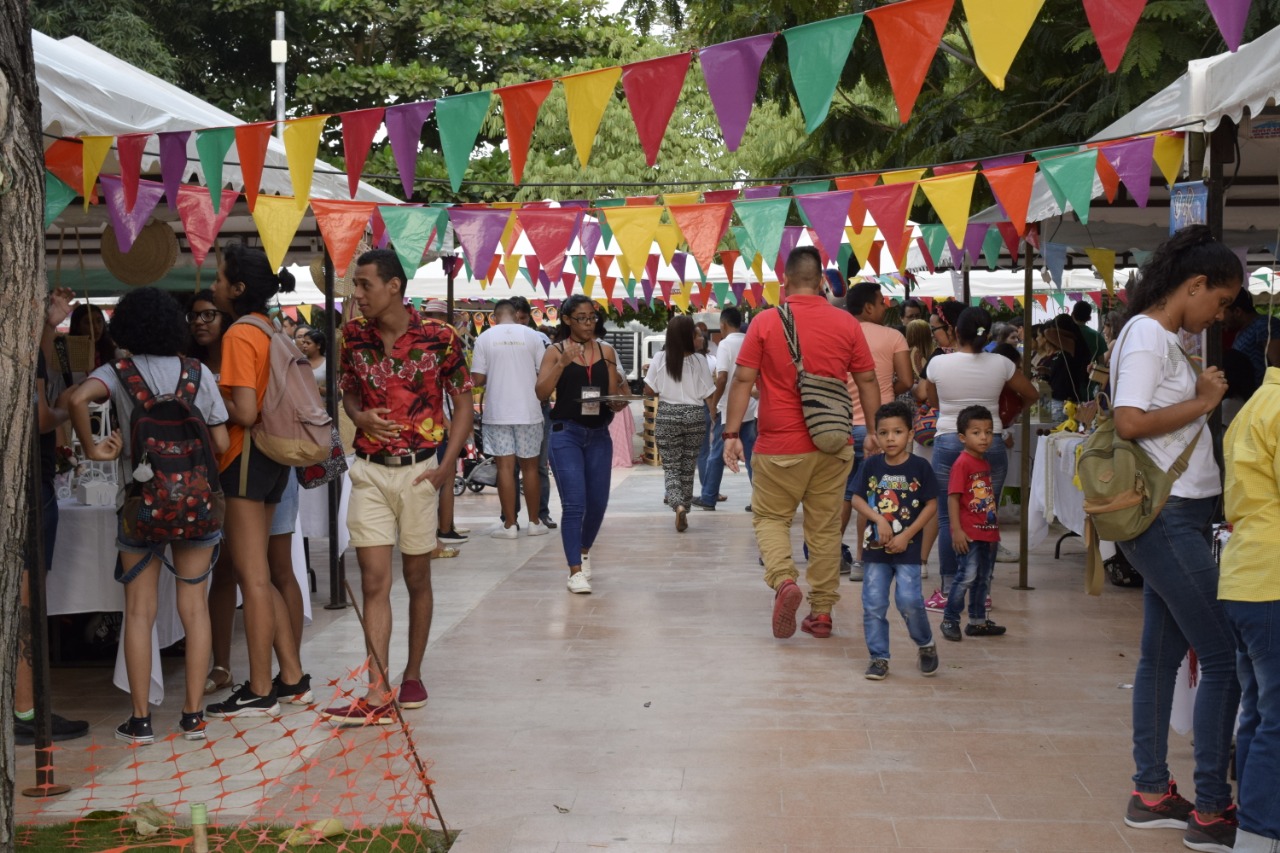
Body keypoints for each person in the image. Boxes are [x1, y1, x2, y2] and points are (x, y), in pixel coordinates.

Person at [1111, 225, 1242, 853]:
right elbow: (1130, 421)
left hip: (1175, 515)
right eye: (1218, 301)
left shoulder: (1161, 337)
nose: (1219, 314)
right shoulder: (1147, 336)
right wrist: (1206, 400)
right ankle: (1213, 809)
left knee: (1161, 659)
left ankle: (1152, 792)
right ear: (1193, 285)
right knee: (1223, 655)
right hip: (1166, 517)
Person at [68, 287, 229, 743]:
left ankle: (140, 721)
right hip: (197, 506)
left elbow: (78, 400)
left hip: (140, 505)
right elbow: (218, 444)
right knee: (194, 610)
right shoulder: (198, 373)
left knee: (140, 612)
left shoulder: (116, 372)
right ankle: (194, 715)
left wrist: (95, 447)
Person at [325, 249, 474, 724]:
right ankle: (376, 688)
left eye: (365, 284)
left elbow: (465, 403)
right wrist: (357, 414)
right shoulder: (351, 335)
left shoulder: (441, 337)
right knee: (374, 580)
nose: (357, 294)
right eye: (356, 285)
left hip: (420, 470)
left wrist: (447, 465)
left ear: (393, 286)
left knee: (417, 578)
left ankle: (412, 673)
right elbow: (347, 389)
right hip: (368, 470)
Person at [723, 246, 880, 640]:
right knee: (825, 529)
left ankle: (784, 582)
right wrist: (874, 431)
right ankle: (822, 613)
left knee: (771, 519)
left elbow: (742, 380)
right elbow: (867, 381)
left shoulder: (765, 321)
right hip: (833, 442)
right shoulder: (847, 323)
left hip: (779, 445)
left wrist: (731, 434)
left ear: (786, 281)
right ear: (822, 282)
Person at [204, 244, 311, 720]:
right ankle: (290, 675)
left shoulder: (238, 335)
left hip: (244, 456)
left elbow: (244, 411)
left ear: (238, 288)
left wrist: (208, 394)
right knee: (264, 573)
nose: (213, 286)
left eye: (220, 278)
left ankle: (261, 685)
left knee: (253, 576)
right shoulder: (270, 328)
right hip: (272, 459)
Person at [918, 308, 1037, 614]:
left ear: (956, 333)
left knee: (947, 518)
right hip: (991, 441)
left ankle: (948, 589)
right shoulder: (1002, 363)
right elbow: (1032, 394)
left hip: (948, 441)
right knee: (986, 517)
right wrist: (1007, 413)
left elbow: (931, 400)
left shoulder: (938, 364)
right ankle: (981, 591)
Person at [15, 292, 90, 747]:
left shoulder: (22, 344)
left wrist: (48, 326)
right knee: (28, 602)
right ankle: (28, 709)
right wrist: (67, 406)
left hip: (25, 484)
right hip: (29, 486)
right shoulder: (23, 353)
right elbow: (41, 416)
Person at [1221, 363, 1280, 853]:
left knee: (1259, 715)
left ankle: (1252, 828)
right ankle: (1260, 833)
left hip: (1247, 577)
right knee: (1273, 718)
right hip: (1271, 578)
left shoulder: (1256, 404)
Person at [535, 295, 627, 594]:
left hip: (599, 434)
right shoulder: (555, 351)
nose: (589, 323)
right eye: (582, 318)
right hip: (566, 433)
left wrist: (621, 399)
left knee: (598, 503)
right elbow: (541, 392)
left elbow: (614, 399)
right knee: (575, 503)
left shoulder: (607, 351)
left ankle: (584, 550)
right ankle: (574, 571)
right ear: (567, 320)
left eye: (592, 317)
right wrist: (562, 363)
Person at [849, 401, 939, 681]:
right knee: (873, 603)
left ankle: (925, 644)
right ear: (875, 435)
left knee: (909, 600)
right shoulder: (871, 465)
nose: (891, 438)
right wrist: (878, 520)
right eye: (884, 432)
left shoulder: (920, 467)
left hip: (907, 549)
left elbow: (931, 505)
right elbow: (856, 498)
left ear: (910, 434)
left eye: (897, 432)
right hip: (875, 550)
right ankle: (879, 657)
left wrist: (907, 536)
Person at [841, 281, 910, 581]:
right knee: (876, 495)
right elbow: (907, 381)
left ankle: (831, 554)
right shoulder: (894, 336)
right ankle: (863, 559)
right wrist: (885, 394)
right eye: (882, 302)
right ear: (869, 306)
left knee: (844, 496)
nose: (885, 307)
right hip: (882, 430)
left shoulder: (840, 334)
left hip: (842, 426)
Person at [471, 298, 549, 539]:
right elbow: (543, 373)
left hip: (498, 413)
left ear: (493, 318)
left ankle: (510, 526)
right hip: (529, 412)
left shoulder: (484, 338)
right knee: (531, 469)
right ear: (516, 315)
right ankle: (535, 522)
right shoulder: (534, 337)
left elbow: (477, 379)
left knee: (505, 468)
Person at [938, 405, 1005, 642]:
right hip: (968, 533)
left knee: (983, 577)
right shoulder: (963, 463)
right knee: (966, 576)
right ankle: (950, 618)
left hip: (986, 532)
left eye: (988, 431)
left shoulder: (983, 463)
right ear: (962, 438)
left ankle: (977, 621)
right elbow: (953, 498)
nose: (984, 437)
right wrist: (956, 531)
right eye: (976, 432)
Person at [644, 315, 715, 532]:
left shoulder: (660, 358)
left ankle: (678, 505)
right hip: (694, 416)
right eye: (696, 333)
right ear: (687, 336)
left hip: (667, 415)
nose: (700, 336)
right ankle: (684, 505)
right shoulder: (700, 360)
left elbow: (649, 389)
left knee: (671, 468)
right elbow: (708, 393)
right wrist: (713, 417)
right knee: (687, 466)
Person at [695, 306, 756, 511]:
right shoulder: (750, 340)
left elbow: (721, 378)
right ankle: (759, 500)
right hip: (750, 406)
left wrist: (713, 404)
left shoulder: (724, 345)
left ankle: (708, 496)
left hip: (728, 409)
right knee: (749, 455)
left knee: (716, 453)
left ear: (722, 324)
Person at [511, 296, 556, 530]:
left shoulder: (540, 339)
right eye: (515, 318)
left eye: (523, 318)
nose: (519, 322)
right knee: (509, 467)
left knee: (539, 465)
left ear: (529, 318)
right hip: (508, 409)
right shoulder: (498, 340)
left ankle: (541, 513)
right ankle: (509, 518)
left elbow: (547, 374)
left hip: (538, 409)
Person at [692, 323, 723, 505]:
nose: (702, 339)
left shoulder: (670, 358)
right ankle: (708, 491)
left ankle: (671, 492)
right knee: (703, 453)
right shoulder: (708, 360)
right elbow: (709, 390)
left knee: (681, 454)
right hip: (701, 407)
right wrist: (713, 410)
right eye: (699, 336)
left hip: (679, 409)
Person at [1226, 287, 1280, 385]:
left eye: (1224, 312)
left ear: (1237, 311)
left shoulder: (1264, 324)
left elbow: (1277, 363)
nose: (1220, 316)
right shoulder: (1241, 331)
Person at [1072, 300, 1107, 367]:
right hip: (1088, 375)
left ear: (1072, 314)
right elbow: (1101, 364)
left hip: (1065, 375)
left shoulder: (1064, 334)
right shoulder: (1097, 337)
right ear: (1089, 318)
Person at [295, 326, 328, 395]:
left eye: (308, 343)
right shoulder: (299, 361)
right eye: (304, 342)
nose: (304, 345)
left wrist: (321, 390)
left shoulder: (327, 364)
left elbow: (337, 389)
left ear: (318, 346)